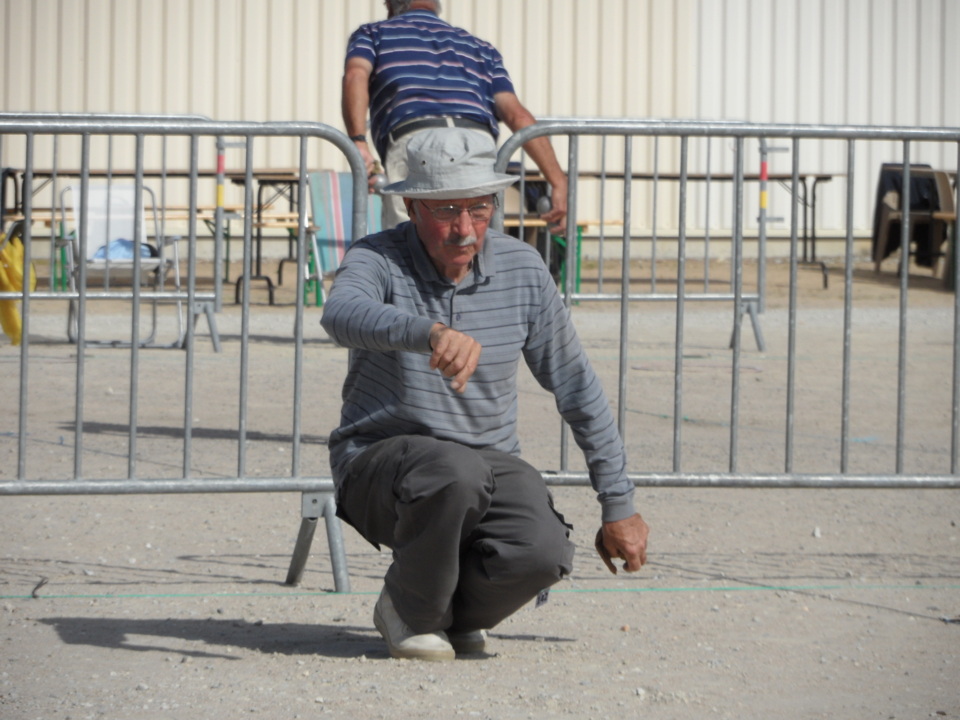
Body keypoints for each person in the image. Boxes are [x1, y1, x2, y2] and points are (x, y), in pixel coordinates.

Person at [320, 127, 649, 661]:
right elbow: (339, 314)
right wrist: (425, 332)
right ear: (412, 206)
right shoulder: (375, 257)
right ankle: (410, 609)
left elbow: (576, 385)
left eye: (480, 208)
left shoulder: (522, 268)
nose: (466, 230)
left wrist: (618, 503)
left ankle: (446, 611)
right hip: (380, 467)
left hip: (486, 464)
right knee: (454, 471)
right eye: (447, 210)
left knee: (542, 551)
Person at [342, 0, 569, 233]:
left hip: (416, 141)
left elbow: (355, 75)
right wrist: (557, 181)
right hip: (475, 142)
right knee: (475, 238)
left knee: (411, 243)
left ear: (391, 5)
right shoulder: (480, 48)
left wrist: (358, 140)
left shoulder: (373, 34)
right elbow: (517, 115)